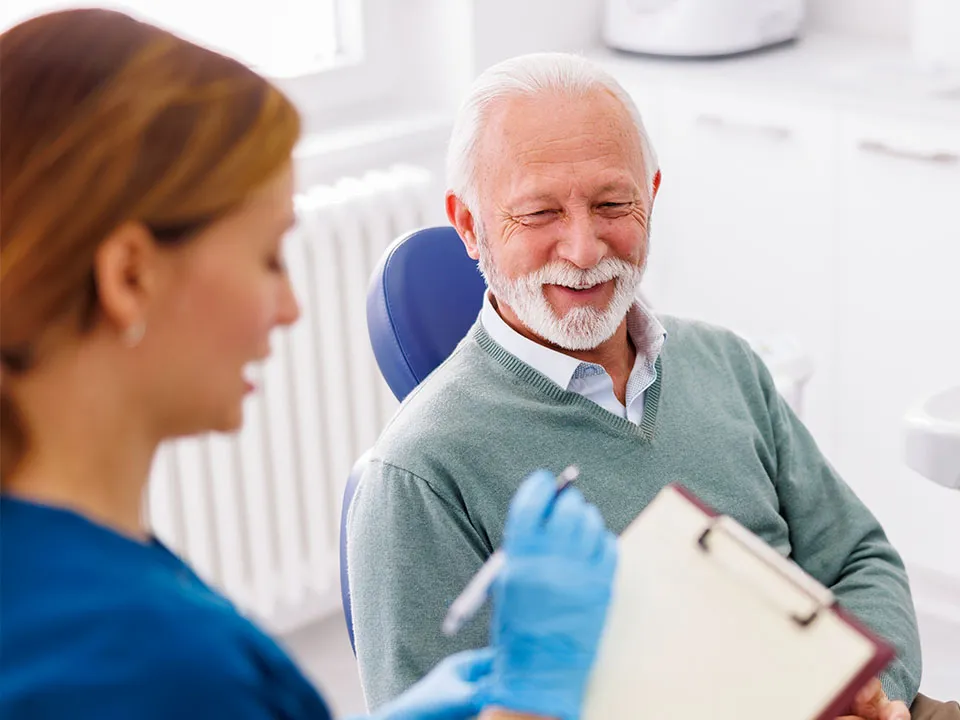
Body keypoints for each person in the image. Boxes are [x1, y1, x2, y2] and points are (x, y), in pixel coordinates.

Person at [0, 11, 619, 720]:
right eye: (267, 256)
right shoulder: (142, 660)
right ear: (130, 277)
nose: (290, 306)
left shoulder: (60, 573)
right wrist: (532, 699)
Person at [347, 52, 960, 720]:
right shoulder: (417, 477)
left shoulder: (725, 364)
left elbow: (859, 559)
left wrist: (883, 696)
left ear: (653, 196)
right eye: (540, 213)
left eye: (613, 203)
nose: (583, 250)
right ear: (469, 225)